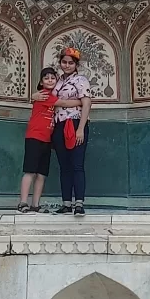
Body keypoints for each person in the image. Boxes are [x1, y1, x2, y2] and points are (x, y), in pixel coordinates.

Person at [34, 47, 92, 216]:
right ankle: (66, 203)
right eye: (64, 62)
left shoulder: (81, 80)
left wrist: (80, 129)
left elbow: (86, 104)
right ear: (60, 63)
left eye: (70, 63)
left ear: (76, 65)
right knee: (64, 166)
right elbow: (44, 95)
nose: (67, 65)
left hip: (75, 123)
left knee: (77, 165)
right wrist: (33, 95)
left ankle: (79, 204)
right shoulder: (57, 81)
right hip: (59, 124)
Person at [17, 67, 81, 213]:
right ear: (41, 82)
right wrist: (82, 101)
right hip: (34, 137)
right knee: (30, 171)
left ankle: (35, 205)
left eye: (53, 78)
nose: (50, 80)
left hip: (46, 140)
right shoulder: (44, 95)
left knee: (41, 174)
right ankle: (22, 203)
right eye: (46, 78)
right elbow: (64, 104)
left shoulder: (50, 95)